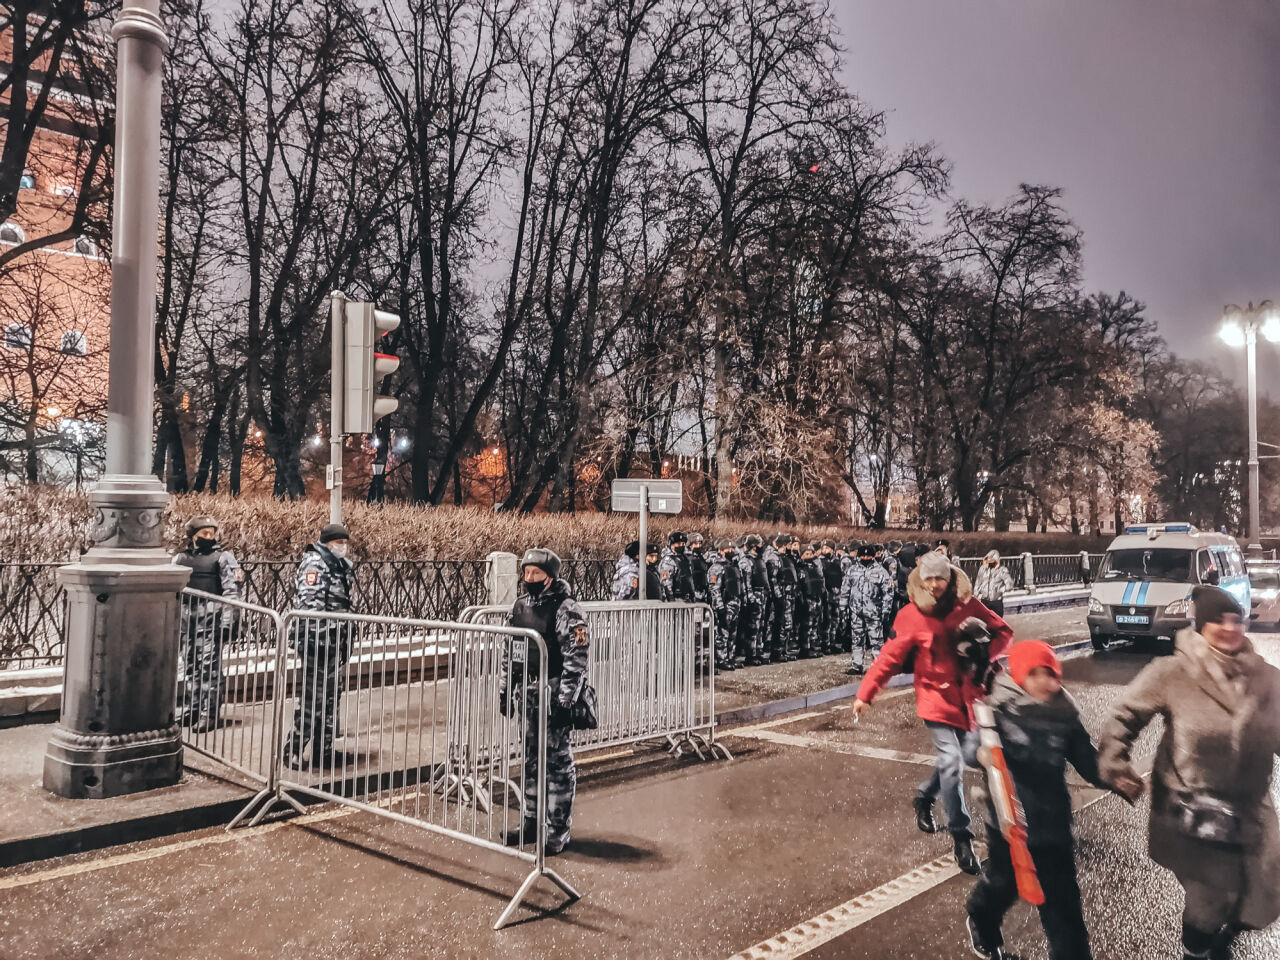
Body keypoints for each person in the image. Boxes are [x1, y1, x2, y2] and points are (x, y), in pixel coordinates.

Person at [1099, 586, 1280, 960]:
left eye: (1236, 619)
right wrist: (1115, 760)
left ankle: (1218, 939)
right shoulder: (1173, 672)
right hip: (1192, 809)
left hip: (1250, 807)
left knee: (1267, 892)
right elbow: (1124, 715)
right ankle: (1195, 952)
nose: (1230, 628)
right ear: (1200, 626)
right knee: (1210, 897)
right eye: (1218, 620)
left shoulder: (1266, 677)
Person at [852, 550, 1013, 875]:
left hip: (969, 698)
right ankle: (961, 837)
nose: (935, 584)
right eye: (929, 578)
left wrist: (983, 655)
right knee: (951, 764)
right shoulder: (911, 615)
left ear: (950, 577)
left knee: (968, 755)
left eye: (940, 577)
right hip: (934, 700)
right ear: (921, 579)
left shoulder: (968, 605)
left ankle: (925, 796)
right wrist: (865, 694)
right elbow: (889, 658)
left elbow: (1004, 633)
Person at [964, 641, 1106, 960]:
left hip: (1053, 824)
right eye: (1035, 674)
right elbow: (971, 750)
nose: (1045, 682)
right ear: (1018, 676)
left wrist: (1113, 775)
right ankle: (981, 917)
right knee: (1005, 884)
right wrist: (981, 752)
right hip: (1010, 823)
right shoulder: (997, 712)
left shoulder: (1064, 713)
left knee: (1064, 906)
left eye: (1050, 674)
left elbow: (1086, 759)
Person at [502, 548, 589, 856]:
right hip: (528, 693)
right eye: (526, 573)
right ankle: (530, 821)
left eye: (536, 574)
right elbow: (510, 651)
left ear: (550, 576)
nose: (530, 579)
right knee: (529, 761)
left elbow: (576, 658)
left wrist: (566, 700)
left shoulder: (567, 609)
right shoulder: (520, 606)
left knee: (557, 764)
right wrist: (505, 688)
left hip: (553, 695)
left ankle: (557, 830)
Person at [285, 523, 355, 769]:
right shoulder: (316, 564)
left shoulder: (340, 565)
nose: (343, 547)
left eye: (345, 542)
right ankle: (293, 748)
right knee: (313, 697)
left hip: (335, 640)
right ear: (327, 543)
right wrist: (318, 640)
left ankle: (323, 751)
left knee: (330, 698)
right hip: (317, 641)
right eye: (339, 542)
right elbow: (310, 606)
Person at [172, 516, 242, 732]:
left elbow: (232, 591)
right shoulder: (179, 559)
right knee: (191, 665)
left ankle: (208, 713)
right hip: (187, 620)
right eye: (204, 534)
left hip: (211, 619)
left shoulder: (223, 558)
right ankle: (194, 707)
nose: (209, 537)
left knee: (209, 667)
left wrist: (230, 622)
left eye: (212, 533)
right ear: (193, 536)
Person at [839, 543, 895, 675]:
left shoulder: (881, 571)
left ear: (873, 556)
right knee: (857, 639)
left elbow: (888, 592)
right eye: (862, 555)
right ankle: (857, 665)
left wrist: (886, 610)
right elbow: (845, 589)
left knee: (876, 640)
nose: (865, 558)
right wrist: (843, 607)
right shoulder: (852, 570)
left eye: (868, 555)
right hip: (856, 611)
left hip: (874, 611)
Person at [707, 539, 741, 671]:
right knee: (722, 633)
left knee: (732, 633)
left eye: (732, 549)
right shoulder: (716, 568)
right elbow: (715, 590)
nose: (731, 551)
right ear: (721, 551)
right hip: (725, 605)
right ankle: (721, 659)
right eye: (728, 550)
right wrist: (720, 608)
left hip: (735, 603)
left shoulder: (733, 566)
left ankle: (730, 657)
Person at [736, 535, 769, 666]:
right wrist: (751, 599)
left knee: (761, 627)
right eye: (759, 544)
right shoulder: (746, 561)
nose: (762, 546)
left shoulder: (760, 560)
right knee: (753, 628)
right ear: (753, 546)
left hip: (762, 595)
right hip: (754, 597)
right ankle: (751, 654)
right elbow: (746, 583)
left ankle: (759, 652)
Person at [764, 534, 796, 662]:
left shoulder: (781, 557)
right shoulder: (773, 557)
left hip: (784, 595)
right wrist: (778, 596)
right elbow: (773, 579)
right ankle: (772, 652)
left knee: (784, 624)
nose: (785, 547)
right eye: (783, 545)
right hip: (777, 598)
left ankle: (781, 650)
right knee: (773, 624)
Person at [795, 543, 826, 659]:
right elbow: (798, 586)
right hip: (807, 601)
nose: (809, 556)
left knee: (815, 625)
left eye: (811, 553)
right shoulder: (799, 568)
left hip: (817, 598)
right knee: (806, 626)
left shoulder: (816, 566)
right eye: (806, 553)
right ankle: (805, 648)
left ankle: (813, 647)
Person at [973, 550, 1015, 617]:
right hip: (984, 601)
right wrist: (976, 594)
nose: (990, 561)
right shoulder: (982, 569)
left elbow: (1010, 584)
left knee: (997, 623)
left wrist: (1000, 589)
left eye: (992, 560)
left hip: (997, 602)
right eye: (988, 559)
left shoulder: (1002, 570)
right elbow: (978, 582)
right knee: (985, 622)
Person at [821, 540, 844, 655]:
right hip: (827, 595)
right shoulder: (820, 562)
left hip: (837, 594)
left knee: (836, 620)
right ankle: (825, 644)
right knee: (826, 620)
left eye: (827, 548)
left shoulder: (838, 562)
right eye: (823, 548)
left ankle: (833, 642)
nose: (825, 551)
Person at [659, 531, 695, 602]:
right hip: (676, 598)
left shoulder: (684, 558)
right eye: (678, 544)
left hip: (687, 598)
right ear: (671, 544)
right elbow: (666, 582)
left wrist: (692, 595)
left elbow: (689, 578)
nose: (681, 546)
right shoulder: (668, 560)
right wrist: (671, 599)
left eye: (683, 544)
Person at [688, 532, 710, 604]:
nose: (698, 546)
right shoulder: (686, 558)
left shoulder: (701, 558)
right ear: (690, 545)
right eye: (695, 544)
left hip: (703, 592)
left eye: (699, 543)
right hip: (691, 594)